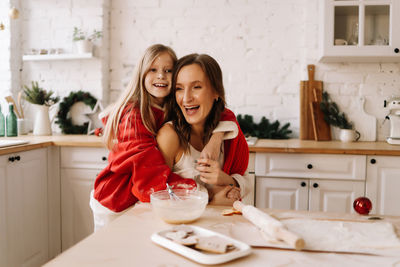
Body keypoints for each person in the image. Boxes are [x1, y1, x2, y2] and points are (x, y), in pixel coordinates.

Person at [90, 44, 239, 231]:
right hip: (115, 200)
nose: (161, 75)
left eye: (168, 70)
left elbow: (224, 112)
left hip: (140, 197)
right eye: (153, 69)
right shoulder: (134, 117)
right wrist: (206, 194)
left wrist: (216, 138)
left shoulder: (172, 105)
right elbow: (150, 179)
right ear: (141, 74)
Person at [157, 53, 250, 205]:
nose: (186, 98)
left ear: (216, 92)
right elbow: (158, 193)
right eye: (179, 89)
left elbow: (246, 181)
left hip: (223, 224)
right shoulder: (169, 135)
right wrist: (211, 198)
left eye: (196, 87)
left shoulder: (228, 133)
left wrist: (227, 180)